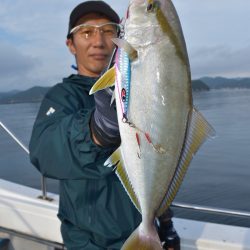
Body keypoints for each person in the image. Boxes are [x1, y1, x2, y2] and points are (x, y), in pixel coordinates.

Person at [29, 1, 180, 249]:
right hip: (89, 243)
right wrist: (95, 131)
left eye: (108, 30)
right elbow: (44, 152)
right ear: (71, 44)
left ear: (120, 36)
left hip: (146, 233)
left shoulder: (137, 89)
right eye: (86, 32)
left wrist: (166, 224)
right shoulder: (61, 97)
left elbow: (155, 160)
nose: (98, 41)